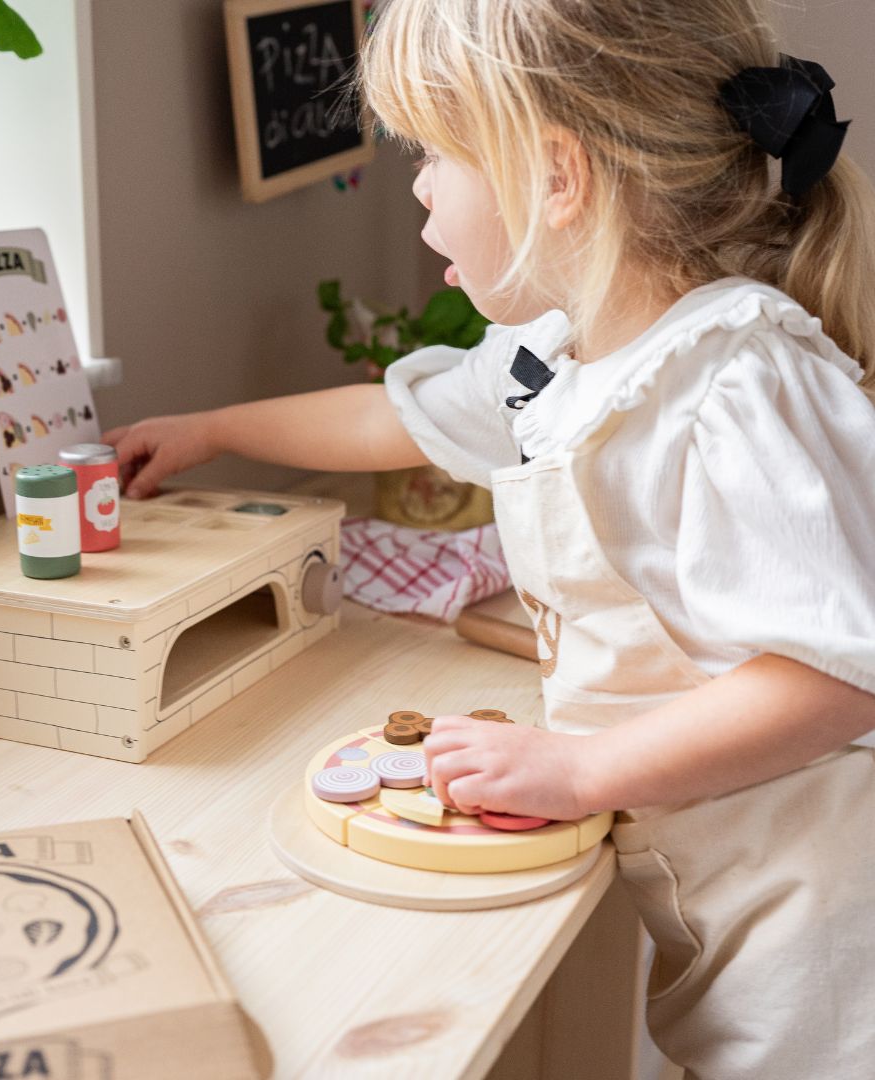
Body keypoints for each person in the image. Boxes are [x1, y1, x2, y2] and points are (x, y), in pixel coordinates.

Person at [105, 2, 875, 1074]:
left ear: (556, 177)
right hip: (719, 894)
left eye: (435, 154)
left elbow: (832, 678)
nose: (421, 187)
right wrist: (209, 432)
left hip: (825, 932)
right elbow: (391, 420)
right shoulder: (558, 354)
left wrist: (583, 767)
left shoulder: (734, 382)